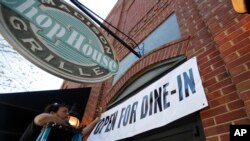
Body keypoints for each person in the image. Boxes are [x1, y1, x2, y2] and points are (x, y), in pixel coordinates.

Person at [19, 103, 100, 141]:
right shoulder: (40, 125)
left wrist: (97, 120)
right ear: (52, 113)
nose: (68, 114)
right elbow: (42, 118)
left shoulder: (64, 130)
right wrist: (69, 127)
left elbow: (82, 133)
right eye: (64, 111)